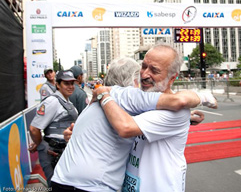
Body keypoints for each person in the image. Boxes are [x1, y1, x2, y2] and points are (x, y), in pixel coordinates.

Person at [51, 57, 216, 192]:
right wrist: (204, 96)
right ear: (134, 80)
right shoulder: (124, 94)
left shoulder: (101, 101)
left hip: (61, 180)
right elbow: (179, 100)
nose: (145, 78)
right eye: (142, 72)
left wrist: (186, 119)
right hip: (91, 186)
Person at [94, 44, 215, 192]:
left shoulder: (175, 111)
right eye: (144, 66)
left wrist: (103, 94)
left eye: (154, 70)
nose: (144, 74)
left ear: (172, 78)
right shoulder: (142, 101)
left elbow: (125, 127)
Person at [29, 70, 78, 187]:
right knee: (55, 186)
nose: (71, 86)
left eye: (72, 83)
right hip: (52, 152)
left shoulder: (66, 101)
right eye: (66, 83)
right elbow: (34, 128)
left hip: (61, 150)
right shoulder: (52, 101)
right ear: (58, 85)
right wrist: (40, 144)